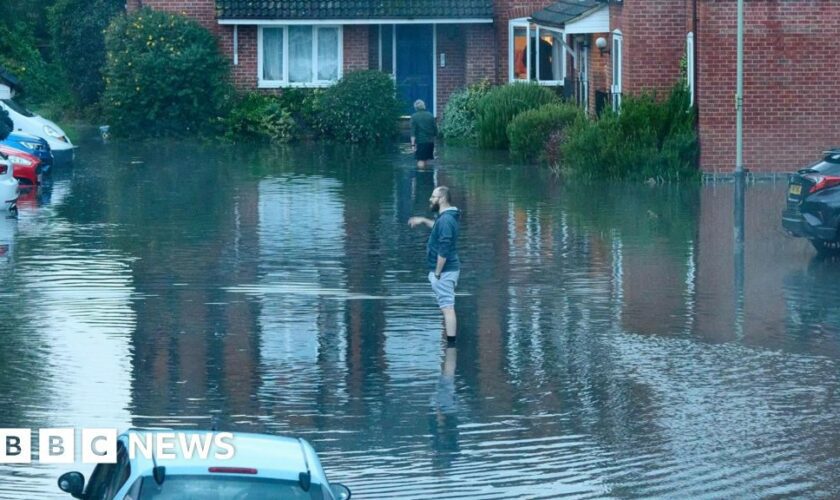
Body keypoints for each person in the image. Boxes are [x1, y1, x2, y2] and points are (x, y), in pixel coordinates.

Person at [408, 186, 460, 342]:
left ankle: (451, 346)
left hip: (444, 270)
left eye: (433, 197)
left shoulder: (446, 220)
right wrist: (424, 221)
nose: (430, 200)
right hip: (447, 270)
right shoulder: (447, 217)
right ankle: (451, 346)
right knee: (447, 306)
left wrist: (437, 273)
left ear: (442, 199)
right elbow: (438, 227)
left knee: (448, 308)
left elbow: (443, 249)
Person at [410, 99, 437, 168]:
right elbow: (435, 130)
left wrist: (412, 145)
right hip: (430, 142)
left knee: (420, 160)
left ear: (415, 107)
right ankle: (427, 177)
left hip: (421, 142)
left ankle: (421, 176)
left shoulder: (414, 116)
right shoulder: (430, 115)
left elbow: (413, 132)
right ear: (424, 106)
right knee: (426, 160)